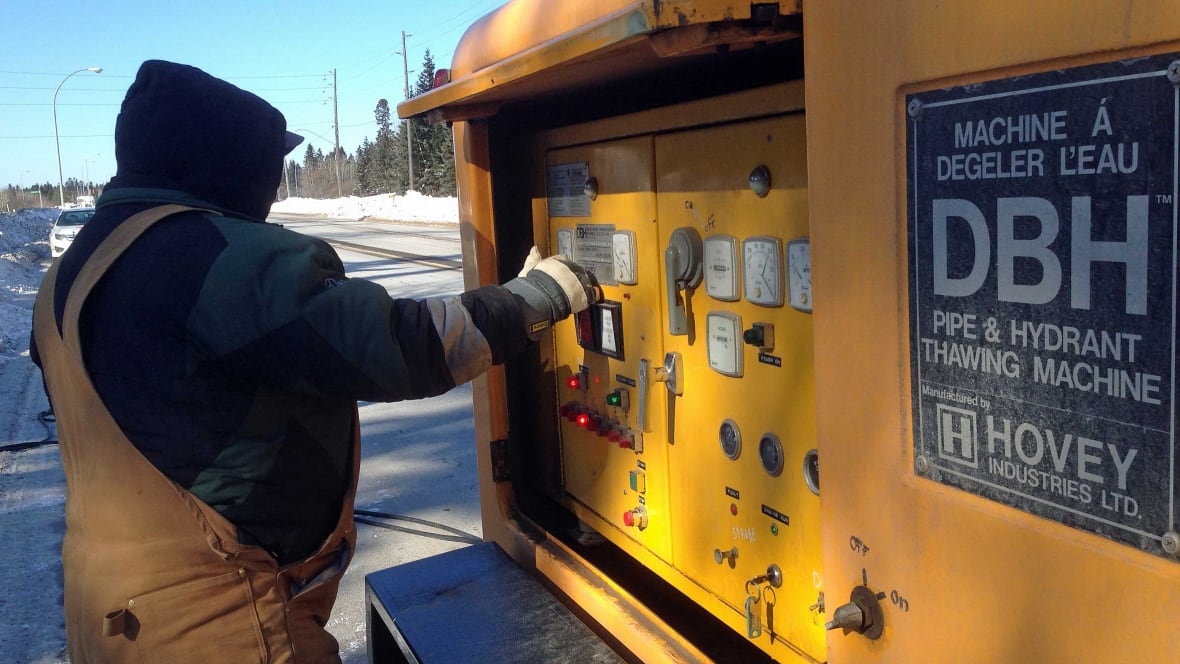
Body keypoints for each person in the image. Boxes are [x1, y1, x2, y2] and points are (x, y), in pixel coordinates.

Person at [31, 59, 599, 663]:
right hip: (222, 624)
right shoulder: (211, 258)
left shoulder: (74, 270)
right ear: (225, 166)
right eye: (268, 168)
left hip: (116, 618)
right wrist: (533, 299)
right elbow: (397, 347)